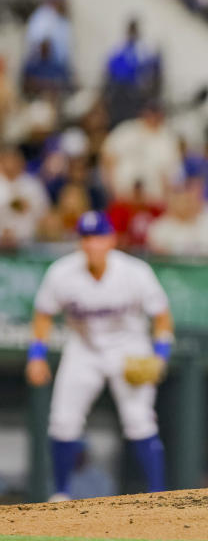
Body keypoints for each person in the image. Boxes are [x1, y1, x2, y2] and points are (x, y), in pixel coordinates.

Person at [25, 211, 174, 500]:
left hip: (129, 349)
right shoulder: (61, 272)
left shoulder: (135, 272)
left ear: (111, 239)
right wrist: (36, 355)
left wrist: (161, 355)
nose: (92, 244)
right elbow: (43, 315)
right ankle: (61, 494)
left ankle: (159, 495)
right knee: (63, 421)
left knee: (138, 419)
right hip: (84, 349)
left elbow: (162, 318)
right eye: (86, 237)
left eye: (98, 237)